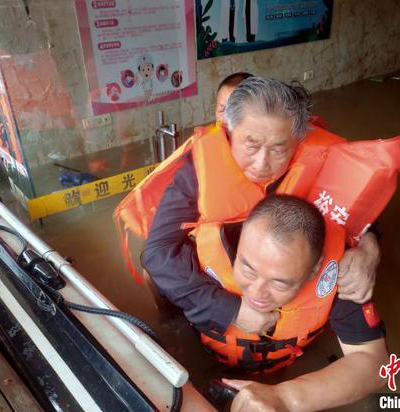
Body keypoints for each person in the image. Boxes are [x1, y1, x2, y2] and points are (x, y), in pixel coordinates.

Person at [138, 77, 380, 338]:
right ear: (229, 133)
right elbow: (157, 252)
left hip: (288, 283)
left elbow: (357, 204)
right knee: (153, 274)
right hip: (222, 280)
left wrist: (370, 247)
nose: (262, 163)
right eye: (251, 145)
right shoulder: (197, 172)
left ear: (298, 140)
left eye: (278, 149)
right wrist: (228, 309)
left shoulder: (322, 160)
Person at [216, 195, 388, 411]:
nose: (256, 292)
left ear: (313, 271)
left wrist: (285, 398)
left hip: (283, 367)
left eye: (279, 283)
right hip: (207, 355)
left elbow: (375, 364)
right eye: (248, 269)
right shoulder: (198, 254)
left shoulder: (334, 278)